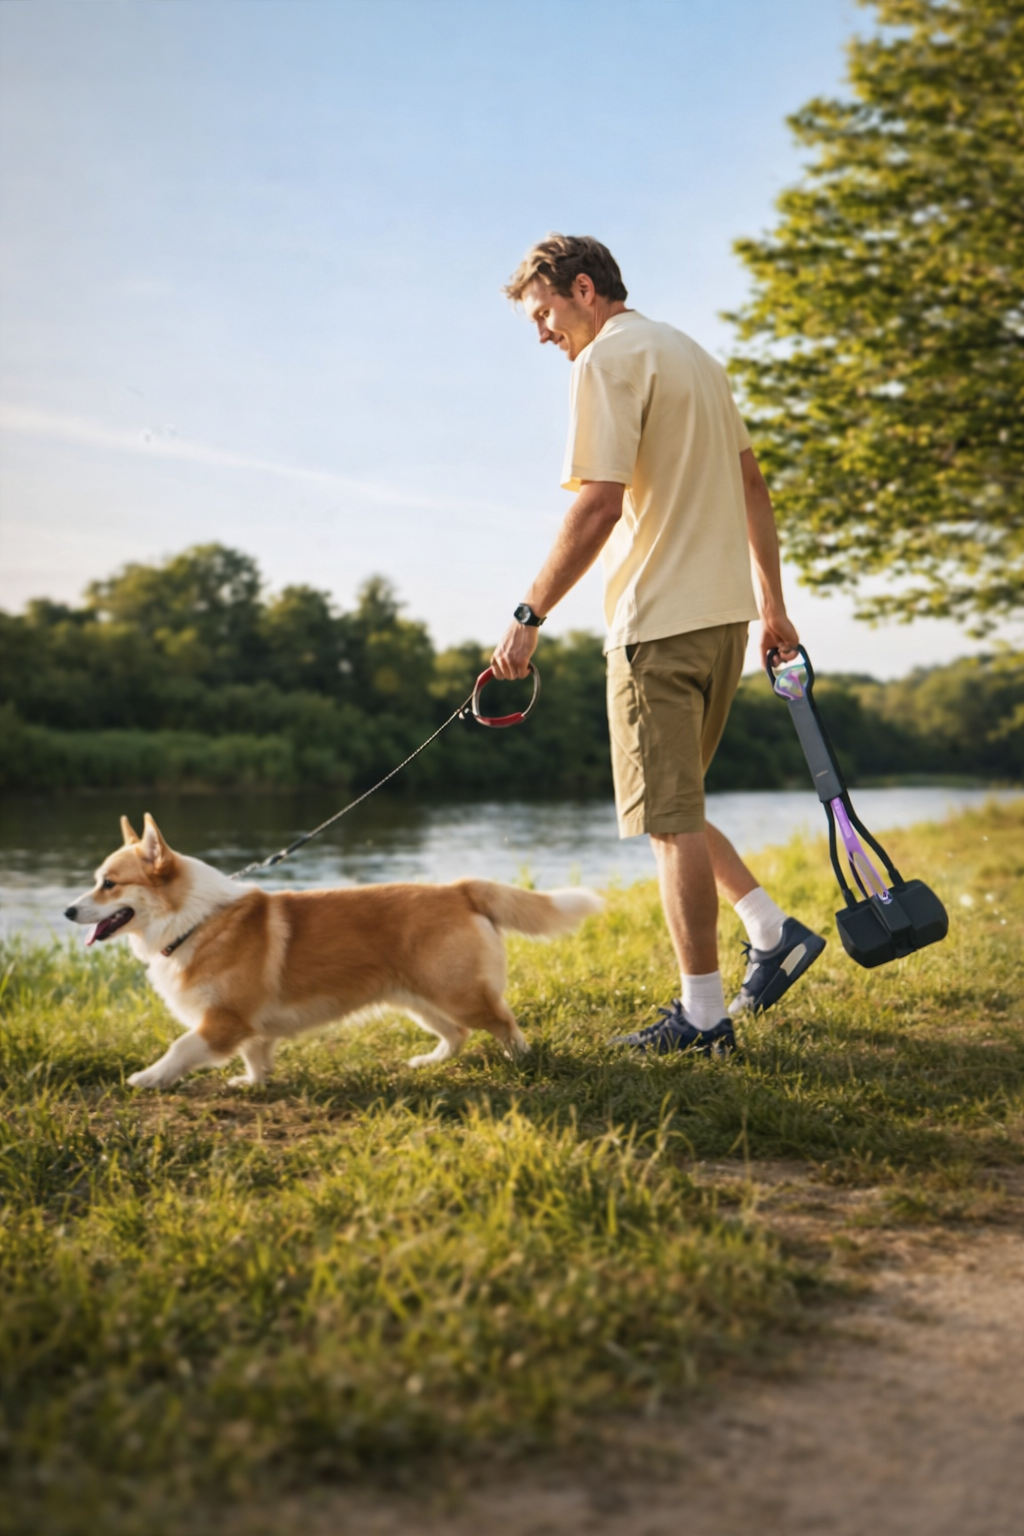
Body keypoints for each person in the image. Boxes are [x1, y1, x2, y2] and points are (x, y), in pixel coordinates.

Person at [491, 233, 825, 1056]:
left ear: (581, 289)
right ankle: (770, 929)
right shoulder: (694, 356)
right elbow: (754, 485)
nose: (543, 334)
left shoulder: (604, 360)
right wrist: (772, 608)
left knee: (668, 819)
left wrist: (527, 617)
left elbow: (598, 505)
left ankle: (704, 1019)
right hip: (722, 622)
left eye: (544, 314)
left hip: (660, 623)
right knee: (674, 801)